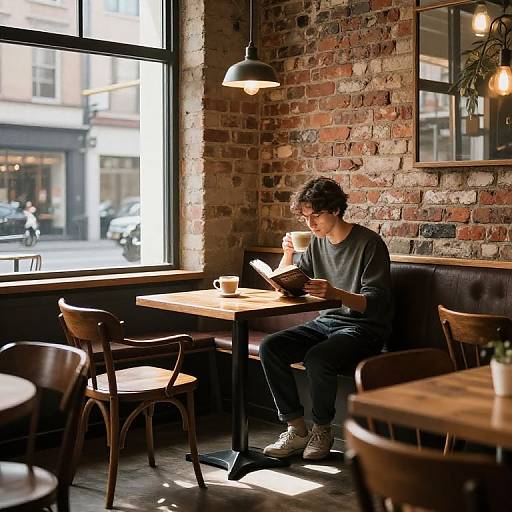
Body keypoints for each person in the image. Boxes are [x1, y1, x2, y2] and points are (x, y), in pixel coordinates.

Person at [259, 177, 393, 460]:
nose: (311, 224)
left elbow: (376, 304)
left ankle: (323, 430)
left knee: (318, 358)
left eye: (316, 215)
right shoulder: (316, 244)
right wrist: (287, 255)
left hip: (364, 329)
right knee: (271, 347)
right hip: (326, 323)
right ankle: (297, 430)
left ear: (335, 209)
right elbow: (291, 281)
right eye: (306, 217)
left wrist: (336, 293)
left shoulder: (370, 243)